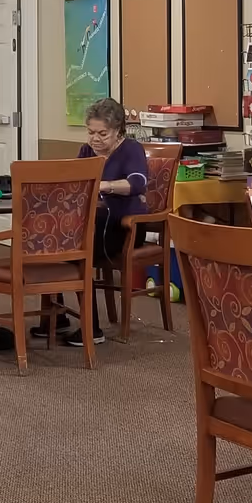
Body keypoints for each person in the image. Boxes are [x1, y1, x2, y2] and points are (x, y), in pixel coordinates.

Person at [66, 97, 151, 345]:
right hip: (93, 223)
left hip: (125, 227)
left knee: (75, 249)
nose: (95, 139)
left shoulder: (131, 149)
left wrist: (106, 186)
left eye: (103, 133)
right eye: (91, 132)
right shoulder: (86, 152)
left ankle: (90, 328)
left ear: (118, 131)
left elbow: (138, 183)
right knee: (56, 243)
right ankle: (57, 317)